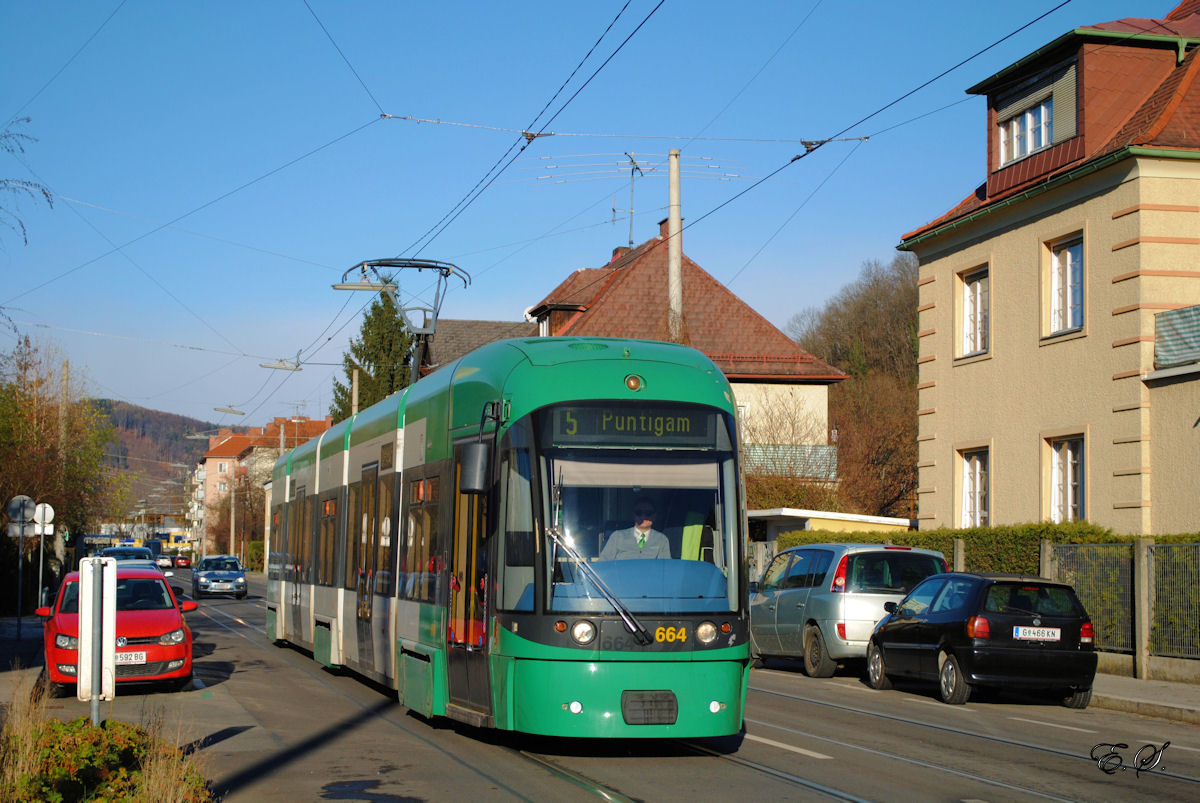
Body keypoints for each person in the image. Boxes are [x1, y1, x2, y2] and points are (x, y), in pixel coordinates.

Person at [599, 498, 670, 560]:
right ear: (633, 515)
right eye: (639, 513)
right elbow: (603, 564)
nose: (643, 516)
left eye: (648, 513)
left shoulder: (662, 539)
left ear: (654, 516)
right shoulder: (617, 537)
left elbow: (665, 568)